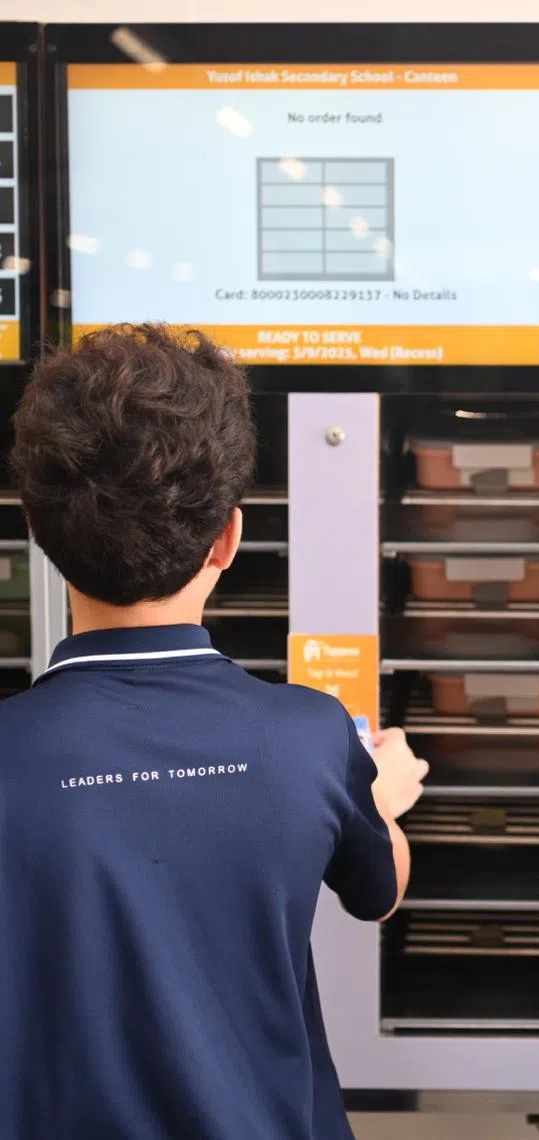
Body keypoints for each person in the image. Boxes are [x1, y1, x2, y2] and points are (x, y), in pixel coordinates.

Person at [0, 324, 427, 1140]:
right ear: (227, 537)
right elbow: (380, 894)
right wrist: (381, 802)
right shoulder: (309, 736)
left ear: (41, 530)